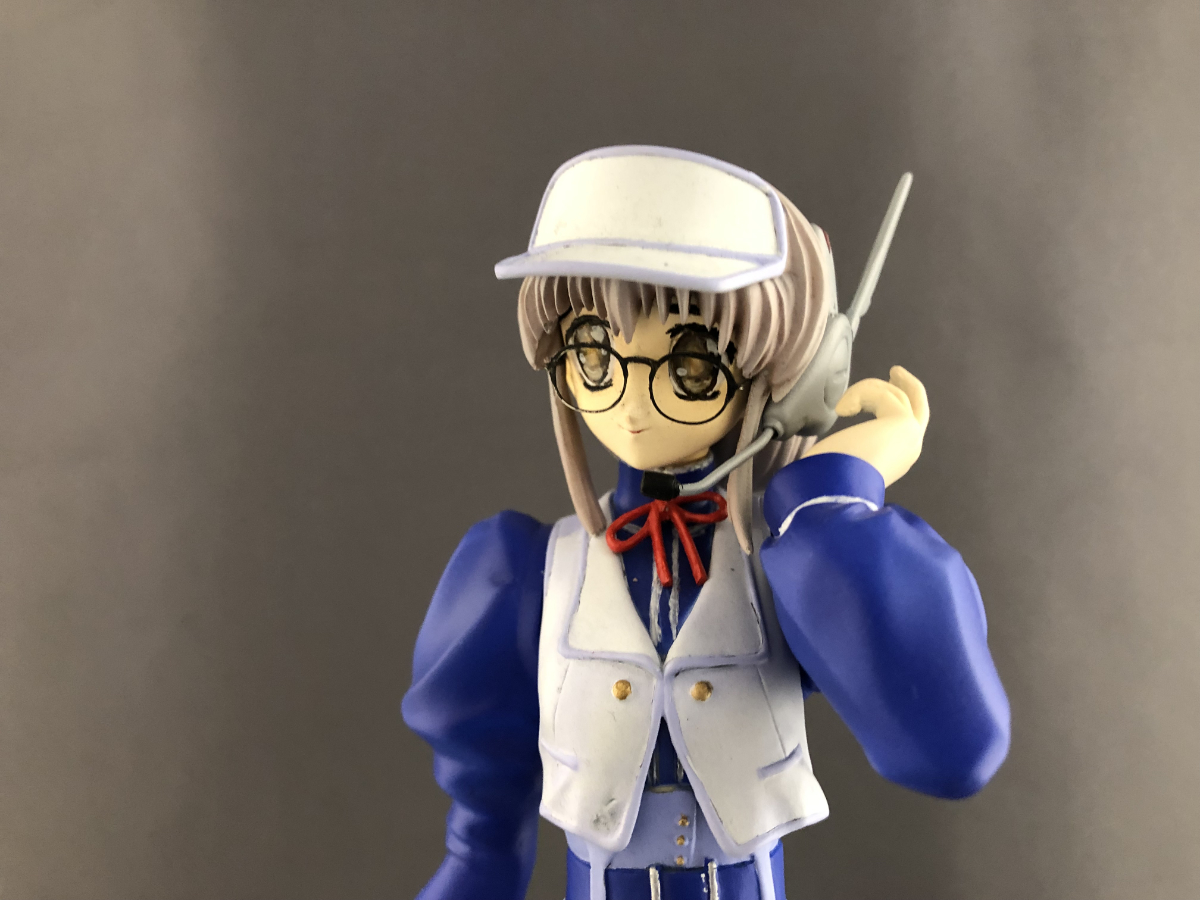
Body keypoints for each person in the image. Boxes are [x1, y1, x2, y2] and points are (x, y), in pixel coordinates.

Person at [402, 146, 1010, 900]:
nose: (629, 400)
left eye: (691, 367)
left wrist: (833, 492)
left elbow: (950, 747)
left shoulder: (796, 557)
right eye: (593, 353)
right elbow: (482, 836)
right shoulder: (523, 572)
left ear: (790, 377)